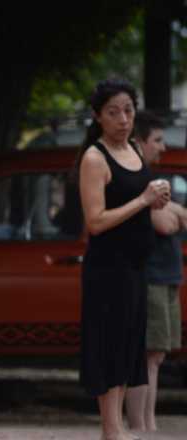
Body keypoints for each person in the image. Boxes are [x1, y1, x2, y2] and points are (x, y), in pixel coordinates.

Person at [77, 79, 170, 440]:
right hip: (107, 269)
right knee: (108, 344)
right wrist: (143, 200)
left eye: (128, 110)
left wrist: (157, 200)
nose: (123, 119)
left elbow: (139, 201)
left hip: (136, 267)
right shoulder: (94, 158)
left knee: (129, 346)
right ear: (98, 116)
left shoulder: (133, 148)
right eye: (113, 112)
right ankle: (111, 429)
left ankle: (114, 428)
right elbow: (96, 221)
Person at [126, 110, 184, 433]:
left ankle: (149, 425)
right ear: (140, 142)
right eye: (158, 140)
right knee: (146, 356)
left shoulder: (152, 179)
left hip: (166, 277)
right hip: (150, 278)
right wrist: (174, 213)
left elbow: (179, 216)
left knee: (156, 357)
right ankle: (140, 427)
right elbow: (165, 223)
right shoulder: (138, 180)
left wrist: (174, 211)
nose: (163, 147)